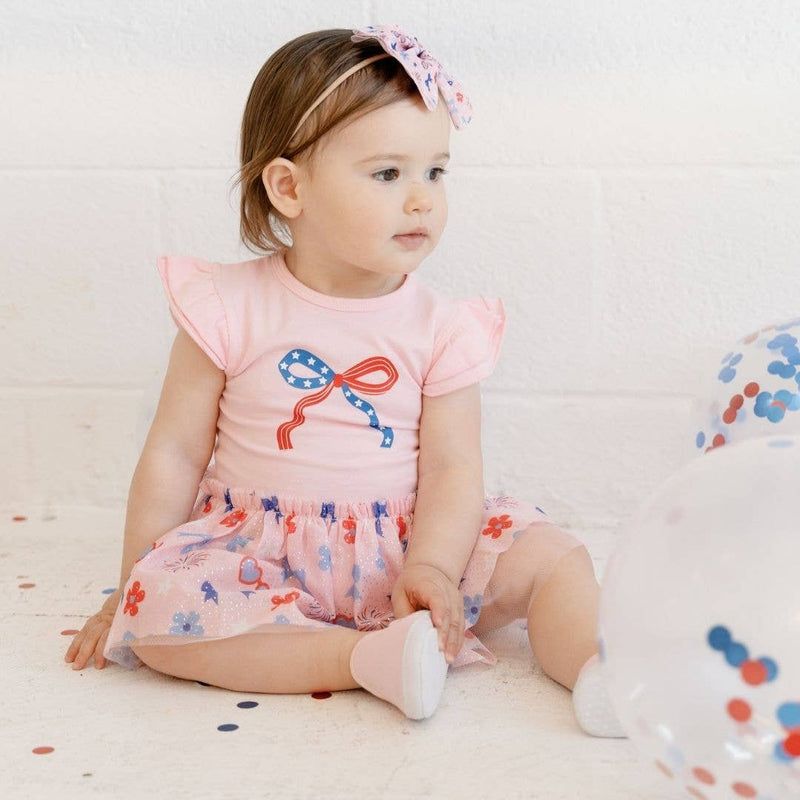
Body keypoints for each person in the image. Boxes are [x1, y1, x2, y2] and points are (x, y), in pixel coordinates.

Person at [65, 24, 623, 735]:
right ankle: (367, 660)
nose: (422, 199)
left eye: (436, 172)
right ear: (290, 188)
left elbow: (453, 467)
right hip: (262, 550)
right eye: (389, 174)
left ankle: (598, 667)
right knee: (164, 626)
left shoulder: (442, 325)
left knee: (552, 558)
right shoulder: (227, 308)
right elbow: (173, 454)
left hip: (414, 539)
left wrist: (434, 566)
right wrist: (134, 586)